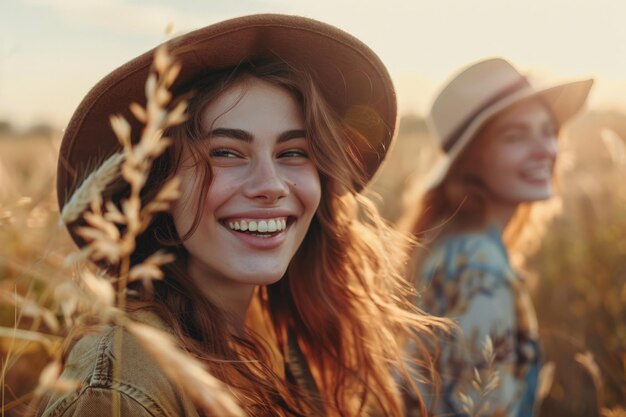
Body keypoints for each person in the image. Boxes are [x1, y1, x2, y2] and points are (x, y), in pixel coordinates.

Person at [38, 14, 445, 417]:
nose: (270, 185)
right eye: (226, 153)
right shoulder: (119, 390)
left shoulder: (271, 338)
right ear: (159, 185)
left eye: (293, 153)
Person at [401, 58, 593, 416]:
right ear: (471, 160)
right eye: (515, 136)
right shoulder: (478, 268)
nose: (545, 150)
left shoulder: (458, 245)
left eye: (548, 130)